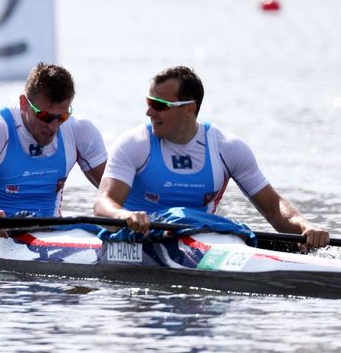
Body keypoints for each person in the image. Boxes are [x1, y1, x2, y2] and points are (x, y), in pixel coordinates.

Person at [93, 65, 330, 248]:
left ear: (188, 108)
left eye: (159, 104)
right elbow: (103, 204)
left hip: (200, 240)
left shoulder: (227, 148)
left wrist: (305, 227)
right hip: (138, 240)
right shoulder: (135, 144)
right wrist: (124, 215)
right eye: (148, 102)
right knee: (178, 217)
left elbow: (274, 209)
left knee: (199, 221)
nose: (149, 111)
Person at [0, 63, 107, 218]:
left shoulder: (80, 131)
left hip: (49, 233)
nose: (53, 127)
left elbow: (115, 195)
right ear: (24, 103)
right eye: (44, 116)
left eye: (62, 116)